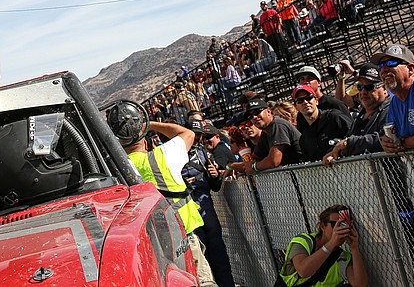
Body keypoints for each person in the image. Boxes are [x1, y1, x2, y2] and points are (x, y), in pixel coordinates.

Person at [107, 105, 213, 285]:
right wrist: (150, 124)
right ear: (145, 141)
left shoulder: (114, 172)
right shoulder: (163, 156)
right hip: (183, 237)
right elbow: (188, 134)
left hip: (150, 248)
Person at [182, 122, 236, 287]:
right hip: (188, 215)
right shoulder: (174, 155)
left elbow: (215, 187)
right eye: (195, 134)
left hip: (207, 211)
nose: (199, 138)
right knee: (200, 261)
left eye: (201, 135)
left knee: (219, 254)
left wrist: (214, 176)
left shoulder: (204, 153)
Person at [279, 204, 368, 287]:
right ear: (322, 226)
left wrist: (354, 247)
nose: (340, 229)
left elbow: (360, 285)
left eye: (344, 225)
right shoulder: (304, 241)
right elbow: (303, 271)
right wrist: (332, 243)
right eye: (335, 225)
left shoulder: (343, 257)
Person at [229, 100, 304, 174]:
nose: (254, 117)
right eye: (250, 116)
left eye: (257, 112)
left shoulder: (277, 125)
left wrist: (254, 167)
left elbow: (273, 161)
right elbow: (255, 158)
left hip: (306, 173)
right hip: (296, 175)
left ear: (268, 111)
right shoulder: (266, 132)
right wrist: (230, 166)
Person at [293, 85, 352, 162]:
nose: (305, 102)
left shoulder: (335, 118)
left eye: (309, 98)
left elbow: (355, 138)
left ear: (316, 101)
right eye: (300, 101)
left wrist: (336, 152)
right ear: (296, 107)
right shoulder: (304, 138)